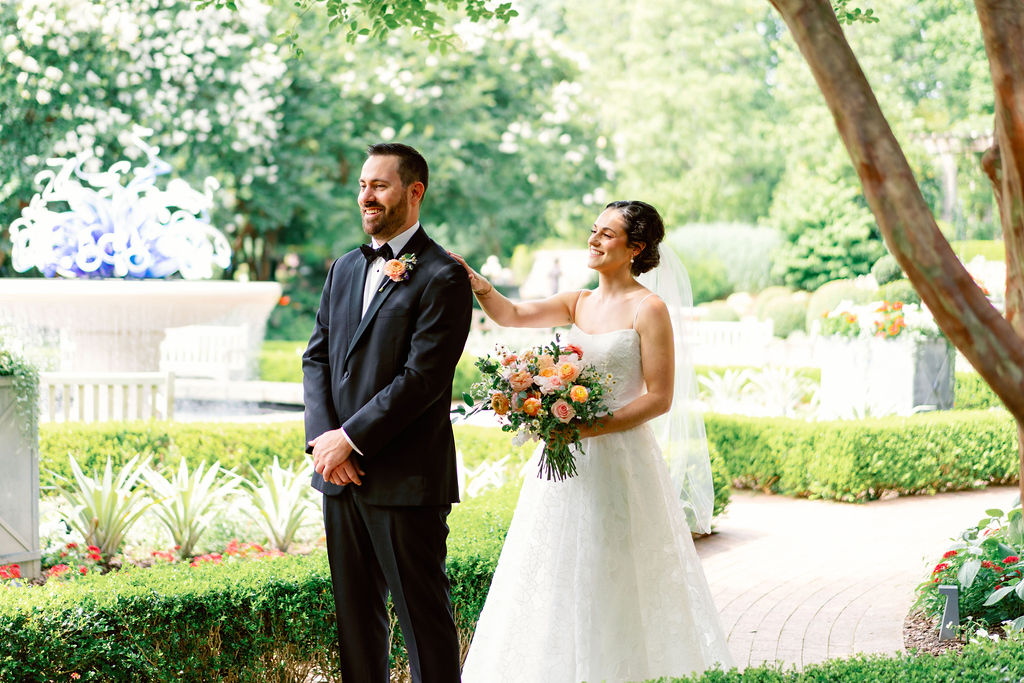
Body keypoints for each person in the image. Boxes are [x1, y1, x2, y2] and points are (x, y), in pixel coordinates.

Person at [450, 200, 733, 682]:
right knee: (558, 571)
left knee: (614, 567)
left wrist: (587, 427)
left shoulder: (650, 308)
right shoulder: (578, 301)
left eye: (606, 234)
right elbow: (512, 314)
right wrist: (479, 284)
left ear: (635, 248)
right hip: (562, 458)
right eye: (593, 230)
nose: (593, 240)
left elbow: (660, 398)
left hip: (620, 459)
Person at [302, 142, 472, 683]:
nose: (366, 196)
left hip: (405, 480)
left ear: (414, 192)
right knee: (355, 624)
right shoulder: (344, 269)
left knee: (424, 623)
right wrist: (325, 443)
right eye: (362, 185)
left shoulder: (443, 275)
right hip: (340, 477)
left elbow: (422, 380)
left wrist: (349, 439)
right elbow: (318, 358)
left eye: (379, 185)